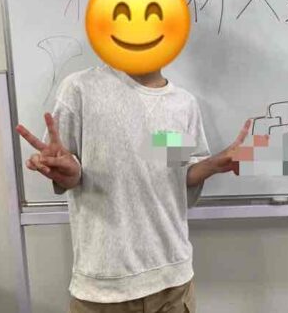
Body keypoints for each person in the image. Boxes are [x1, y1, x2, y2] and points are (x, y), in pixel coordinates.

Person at [16, 64, 250, 313]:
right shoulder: (80, 88)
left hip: (173, 282)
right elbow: (66, 167)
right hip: (104, 288)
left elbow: (175, 173)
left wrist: (213, 164)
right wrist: (69, 172)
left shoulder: (182, 103)